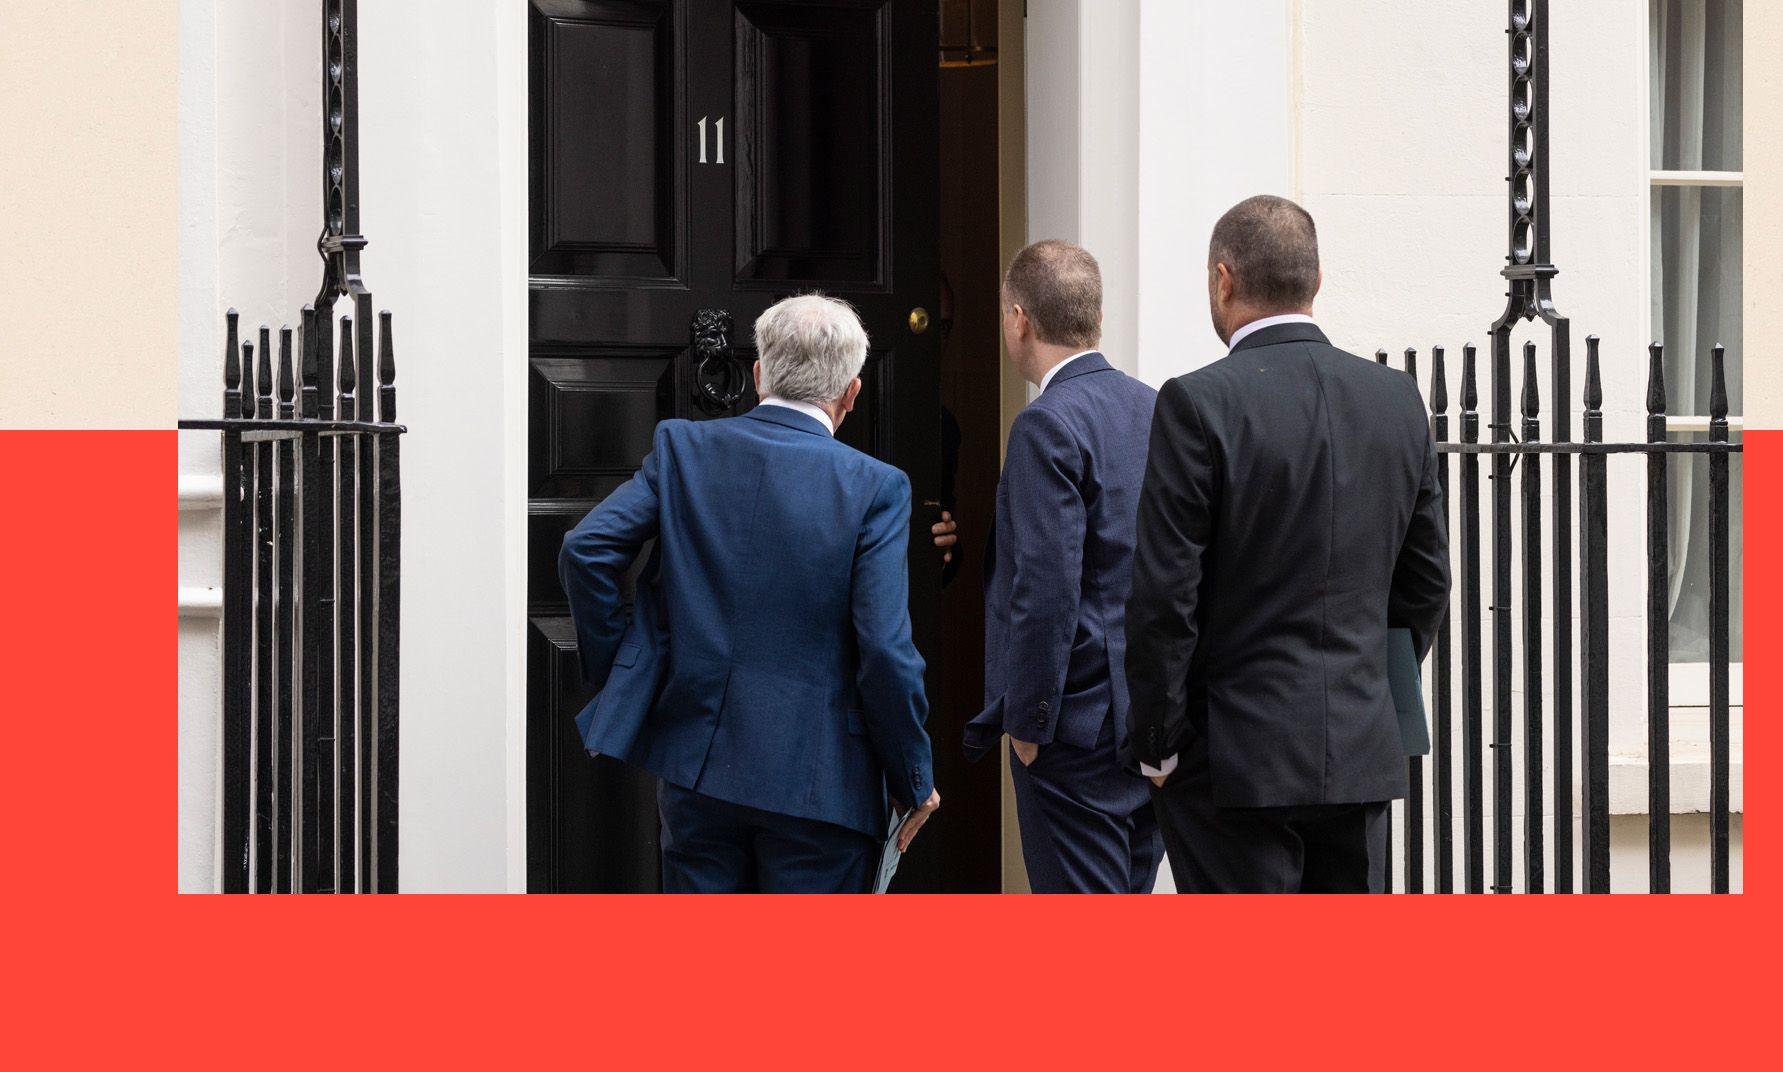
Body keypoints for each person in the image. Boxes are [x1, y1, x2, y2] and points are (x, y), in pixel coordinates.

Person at [559, 293, 939, 893]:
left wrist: (629, 671)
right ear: (851, 393)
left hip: (699, 769)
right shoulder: (875, 487)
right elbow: (886, 652)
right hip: (822, 788)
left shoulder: (684, 449)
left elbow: (586, 550)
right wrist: (914, 777)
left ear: (759, 374)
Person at [1126, 196, 1450, 893]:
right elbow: (1425, 584)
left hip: (1231, 757)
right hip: (1359, 748)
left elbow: (1164, 596)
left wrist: (1157, 743)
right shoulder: (1397, 399)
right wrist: (1363, 680)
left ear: (1223, 279)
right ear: (1317, 281)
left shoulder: (1196, 403)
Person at [963, 240, 1163, 893]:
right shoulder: (1156, 406)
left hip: (1075, 733)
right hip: (1150, 721)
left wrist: (1028, 722)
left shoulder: (1046, 423)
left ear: (1019, 318)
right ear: (1095, 318)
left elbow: (1045, 588)